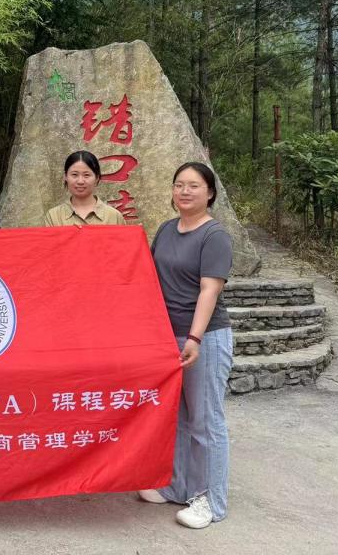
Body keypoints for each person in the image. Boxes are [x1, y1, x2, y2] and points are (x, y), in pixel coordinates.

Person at [138, 161, 234, 529]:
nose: (185, 191)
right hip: (165, 337)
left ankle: (210, 500)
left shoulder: (215, 236)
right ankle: (177, 486)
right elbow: (148, 278)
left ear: (210, 193)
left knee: (205, 420)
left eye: (194, 185)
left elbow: (210, 290)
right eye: (179, 184)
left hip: (203, 338)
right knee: (175, 416)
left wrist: (194, 338)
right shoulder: (166, 230)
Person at [43, 150, 126, 226]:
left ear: (97, 178)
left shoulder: (114, 217)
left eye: (86, 175)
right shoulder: (53, 216)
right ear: (65, 177)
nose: (80, 181)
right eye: (74, 175)